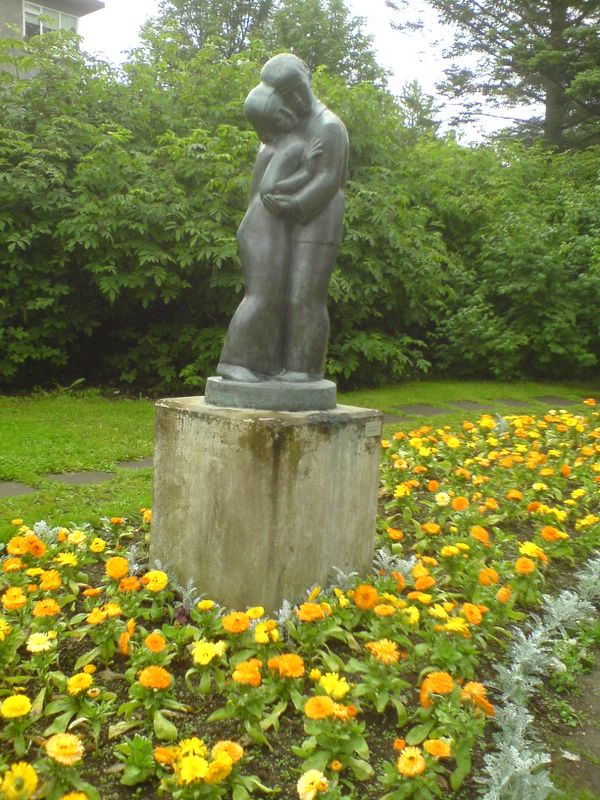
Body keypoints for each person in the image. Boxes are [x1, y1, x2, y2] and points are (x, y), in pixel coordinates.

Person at [217, 54, 348, 383]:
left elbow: (329, 180)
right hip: (277, 221)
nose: (296, 101)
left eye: (297, 92)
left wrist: (294, 204)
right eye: (287, 95)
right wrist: (284, 203)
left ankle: (302, 368)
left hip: (317, 222)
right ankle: (254, 363)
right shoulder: (280, 134)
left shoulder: (328, 126)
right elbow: (265, 189)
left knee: (304, 295)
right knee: (271, 295)